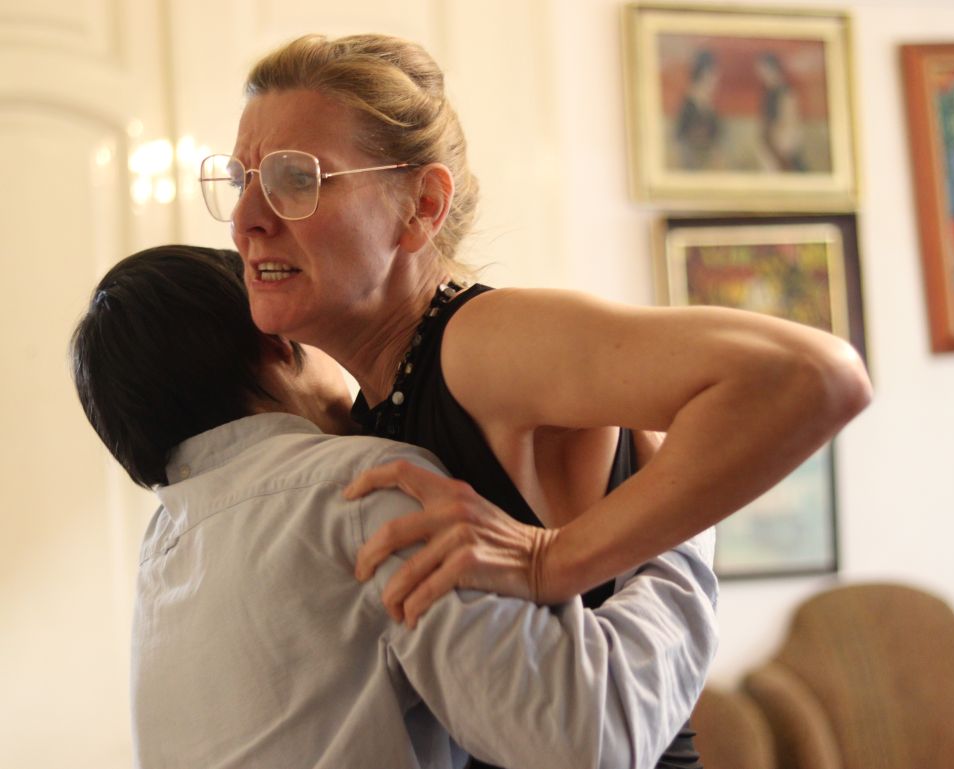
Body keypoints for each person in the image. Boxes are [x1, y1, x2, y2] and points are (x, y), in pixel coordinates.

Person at [200, 33, 872, 768]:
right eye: (241, 180)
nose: (246, 218)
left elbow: (813, 375)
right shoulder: (372, 404)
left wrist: (553, 559)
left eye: (296, 178)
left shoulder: (477, 342)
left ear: (421, 206)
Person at [69, 244, 719, 769]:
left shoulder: (162, 557)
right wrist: (675, 526)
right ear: (277, 343)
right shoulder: (361, 488)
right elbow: (588, 740)